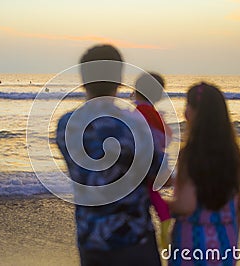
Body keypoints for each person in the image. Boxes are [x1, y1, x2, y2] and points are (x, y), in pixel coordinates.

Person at [56, 44, 163, 266]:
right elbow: (160, 173)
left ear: (83, 80)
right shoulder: (135, 124)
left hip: (90, 238)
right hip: (134, 239)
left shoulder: (66, 125)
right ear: (119, 80)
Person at [167, 82, 240, 265]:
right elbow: (237, 206)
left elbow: (186, 205)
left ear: (192, 113)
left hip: (193, 244)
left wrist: (154, 199)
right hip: (225, 240)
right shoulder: (232, 153)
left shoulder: (191, 153)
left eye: (187, 106)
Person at [133, 72, 173, 250]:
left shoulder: (142, 111)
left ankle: (164, 221)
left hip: (148, 159)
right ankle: (164, 220)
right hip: (156, 158)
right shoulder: (152, 112)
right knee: (152, 192)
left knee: (149, 191)